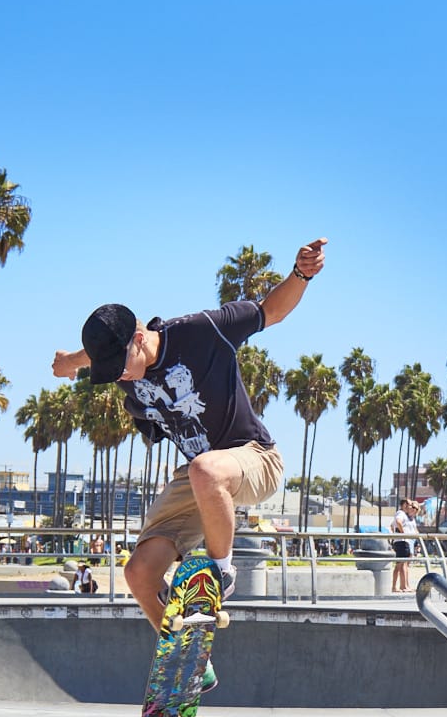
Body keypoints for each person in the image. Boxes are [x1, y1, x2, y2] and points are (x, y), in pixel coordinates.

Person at [52, 238, 324, 636]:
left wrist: (301, 274)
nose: (122, 377)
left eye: (122, 364)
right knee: (139, 574)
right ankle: (180, 657)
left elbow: (271, 311)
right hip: (201, 482)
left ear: (141, 337)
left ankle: (221, 573)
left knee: (205, 469)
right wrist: (69, 363)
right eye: (111, 371)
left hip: (255, 459)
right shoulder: (122, 369)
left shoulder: (201, 331)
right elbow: (93, 358)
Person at [390, 498, 419, 593]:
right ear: (404, 505)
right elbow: (397, 522)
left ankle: (402, 586)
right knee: (400, 565)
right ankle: (399, 586)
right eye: (409, 505)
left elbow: (393, 524)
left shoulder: (405, 515)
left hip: (403, 541)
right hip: (401, 541)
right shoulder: (401, 513)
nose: (410, 507)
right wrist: (403, 533)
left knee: (401, 564)